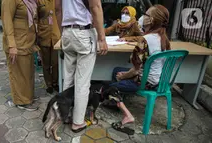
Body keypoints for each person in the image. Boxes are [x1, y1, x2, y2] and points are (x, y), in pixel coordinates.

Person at [108, 4, 171, 133]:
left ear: (151, 20)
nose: (143, 17)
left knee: (110, 88)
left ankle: (127, 115)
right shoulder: (164, 38)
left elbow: (136, 70)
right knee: (116, 70)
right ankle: (119, 99)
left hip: (145, 83)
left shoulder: (145, 40)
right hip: (158, 81)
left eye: (146, 15)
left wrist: (124, 76)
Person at [55, 0, 108, 132]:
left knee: (68, 78)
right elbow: (95, 7)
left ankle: (65, 116)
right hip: (84, 32)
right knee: (82, 82)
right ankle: (78, 122)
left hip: (67, 31)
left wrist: (63, 33)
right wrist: (102, 38)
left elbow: (57, 8)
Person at [1, 0, 39, 111]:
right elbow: (6, 21)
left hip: (28, 42)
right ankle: (21, 101)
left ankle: (28, 97)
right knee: (18, 74)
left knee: (27, 73)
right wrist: (12, 45)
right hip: (17, 44)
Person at [37, 0, 60, 94]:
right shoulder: (39, 1)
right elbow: (35, 17)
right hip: (43, 35)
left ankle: (55, 83)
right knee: (46, 64)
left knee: (56, 63)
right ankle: (49, 84)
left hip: (56, 36)